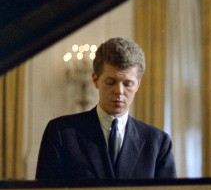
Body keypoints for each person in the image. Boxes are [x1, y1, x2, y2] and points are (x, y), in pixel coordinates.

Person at [36, 37, 176, 180]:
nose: (119, 91)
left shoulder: (158, 143)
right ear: (95, 80)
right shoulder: (61, 133)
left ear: (138, 85)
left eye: (128, 84)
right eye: (110, 82)